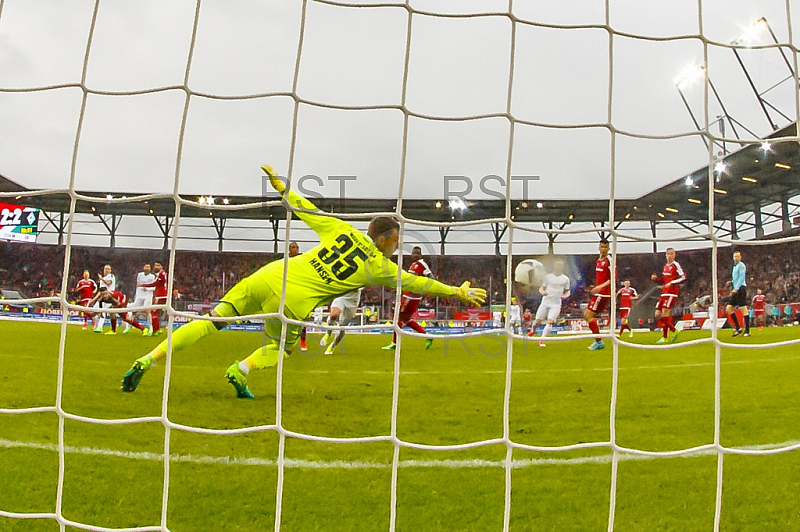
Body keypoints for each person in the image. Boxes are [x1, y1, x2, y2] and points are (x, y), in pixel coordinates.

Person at [121, 166, 486, 398]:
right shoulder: (378, 265)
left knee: (212, 320)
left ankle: (147, 358)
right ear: (388, 240)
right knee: (280, 350)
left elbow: (309, 211)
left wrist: (284, 190)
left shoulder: (341, 229)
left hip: (270, 274)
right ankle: (241, 369)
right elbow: (417, 284)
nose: (398, 247)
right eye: (397, 241)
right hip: (293, 299)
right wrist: (456, 290)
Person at [382, 246, 435, 350]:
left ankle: (395, 343)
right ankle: (426, 335)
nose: (414, 254)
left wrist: (423, 289)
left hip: (411, 296)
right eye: (413, 252)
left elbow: (431, 278)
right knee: (405, 319)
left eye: (417, 253)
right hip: (408, 295)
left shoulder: (421, 264)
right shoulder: (413, 265)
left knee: (397, 317)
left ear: (420, 255)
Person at [530, 259, 571, 347]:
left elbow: (568, 291)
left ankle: (542, 339)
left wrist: (565, 296)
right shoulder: (548, 277)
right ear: (554, 266)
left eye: (560, 265)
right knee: (538, 321)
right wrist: (542, 292)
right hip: (545, 301)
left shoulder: (565, 279)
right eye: (557, 265)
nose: (559, 267)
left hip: (556, 303)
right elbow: (542, 288)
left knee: (550, 321)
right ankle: (533, 330)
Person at [651, 247, 686, 344]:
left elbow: (683, 277)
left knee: (665, 314)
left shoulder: (676, 265)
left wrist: (672, 283)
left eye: (671, 254)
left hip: (671, 293)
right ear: (665, 255)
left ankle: (665, 337)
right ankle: (674, 330)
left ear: (674, 255)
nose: (669, 256)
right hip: (664, 292)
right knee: (657, 314)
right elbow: (664, 280)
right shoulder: (665, 266)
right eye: (668, 254)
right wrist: (656, 279)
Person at [584, 239, 611, 351]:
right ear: (599, 247)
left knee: (589, 315)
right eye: (602, 246)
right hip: (599, 293)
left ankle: (599, 341)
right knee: (587, 314)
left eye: (605, 247)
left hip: (604, 293)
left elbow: (612, 278)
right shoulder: (598, 261)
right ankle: (597, 339)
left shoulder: (609, 260)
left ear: (608, 248)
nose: (603, 249)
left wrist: (600, 287)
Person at [320, 288, 362, 355]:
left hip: (353, 299)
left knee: (342, 326)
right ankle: (328, 333)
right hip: (342, 295)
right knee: (334, 315)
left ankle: (333, 345)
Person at [287, 241, 309, 351]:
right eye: (293, 247)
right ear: (289, 250)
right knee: (286, 318)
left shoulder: (302, 261)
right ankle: (286, 341)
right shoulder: (285, 262)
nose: (296, 249)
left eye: (297, 247)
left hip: (299, 291)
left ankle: (303, 341)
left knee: (302, 317)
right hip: (288, 291)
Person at [726, 250, 750, 337]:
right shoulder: (734, 267)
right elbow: (736, 278)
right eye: (735, 256)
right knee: (729, 308)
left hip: (740, 288)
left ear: (740, 257)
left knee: (743, 308)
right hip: (736, 288)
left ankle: (747, 330)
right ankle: (738, 328)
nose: (736, 258)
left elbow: (741, 278)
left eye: (737, 256)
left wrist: (736, 288)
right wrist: (731, 282)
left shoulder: (741, 266)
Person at [126, 263, 155, 335]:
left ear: (150, 269)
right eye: (145, 267)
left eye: (148, 267)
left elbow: (154, 287)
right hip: (139, 295)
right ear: (143, 268)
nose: (146, 268)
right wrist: (136, 295)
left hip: (148, 295)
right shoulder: (140, 275)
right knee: (133, 310)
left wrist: (147, 289)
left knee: (147, 310)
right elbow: (137, 285)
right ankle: (128, 327)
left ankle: (151, 328)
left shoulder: (152, 276)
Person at [140, 262, 168, 335]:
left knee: (153, 312)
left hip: (160, 296)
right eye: (155, 265)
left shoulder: (161, 274)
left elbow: (155, 284)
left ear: (161, 266)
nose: (156, 267)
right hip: (163, 295)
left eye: (158, 265)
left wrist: (143, 285)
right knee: (156, 312)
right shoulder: (163, 274)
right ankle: (157, 329)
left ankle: (155, 330)